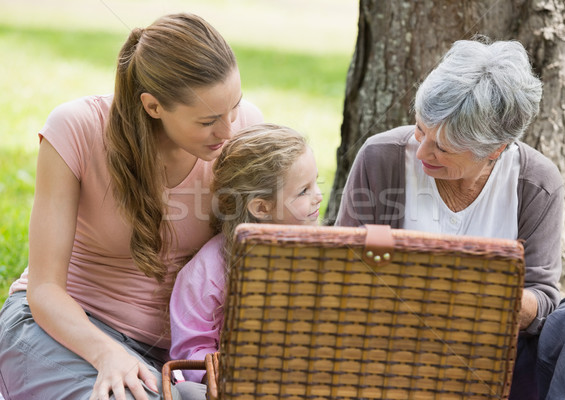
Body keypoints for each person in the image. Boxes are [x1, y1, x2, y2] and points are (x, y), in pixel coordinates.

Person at [0, 13, 263, 400]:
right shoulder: (75, 129)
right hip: (66, 333)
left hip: (176, 357)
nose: (227, 131)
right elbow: (45, 290)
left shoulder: (243, 132)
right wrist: (107, 353)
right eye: (208, 121)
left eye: (234, 108)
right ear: (153, 106)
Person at [335, 37, 565, 399]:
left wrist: (483, 296)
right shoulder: (381, 159)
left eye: (442, 147)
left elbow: (543, 299)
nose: (422, 151)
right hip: (393, 357)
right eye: (420, 128)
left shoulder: (536, 183)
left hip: (495, 363)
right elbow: (343, 269)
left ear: (495, 151)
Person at [169, 123, 323, 386]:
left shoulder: (321, 254)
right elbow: (192, 352)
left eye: (316, 183)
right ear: (262, 207)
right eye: (304, 191)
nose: (318, 196)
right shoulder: (209, 271)